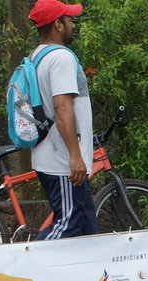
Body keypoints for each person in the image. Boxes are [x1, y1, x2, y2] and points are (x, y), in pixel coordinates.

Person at [28, 0, 96, 240]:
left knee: (86, 232)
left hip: (52, 157)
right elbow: (62, 107)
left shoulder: (37, 56)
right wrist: (75, 157)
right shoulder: (61, 58)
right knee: (66, 227)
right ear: (58, 24)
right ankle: (25, 268)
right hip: (63, 164)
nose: (73, 25)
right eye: (70, 19)